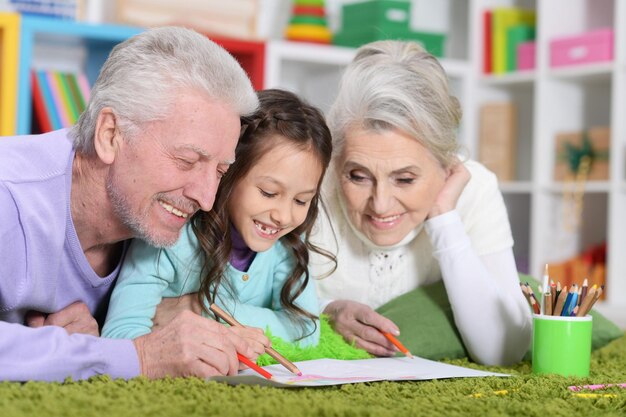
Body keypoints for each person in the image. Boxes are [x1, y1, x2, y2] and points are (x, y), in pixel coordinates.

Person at [0, 26, 269, 382]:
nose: (206, 199)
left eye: (220, 170)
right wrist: (137, 356)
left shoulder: (164, 224)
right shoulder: (9, 193)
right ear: (110, 135)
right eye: (187, 160)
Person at [309, 40, 533, 366]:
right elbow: (249, 300)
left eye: (405, 179)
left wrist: (444, 218)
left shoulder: (474, 186)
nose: (381, 204)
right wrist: (327, 310)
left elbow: (502, 350)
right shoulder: (310, 185)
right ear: (336, 160)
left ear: (446, 166)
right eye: (358, 176)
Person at [102, 89, 335, 348]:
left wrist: (201, 309)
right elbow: (119, 335)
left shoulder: (287, 247)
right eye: (269, 193)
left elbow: (306, 331)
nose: (283, 216)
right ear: (229, 174)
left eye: (301, 200)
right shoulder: (170, 239)